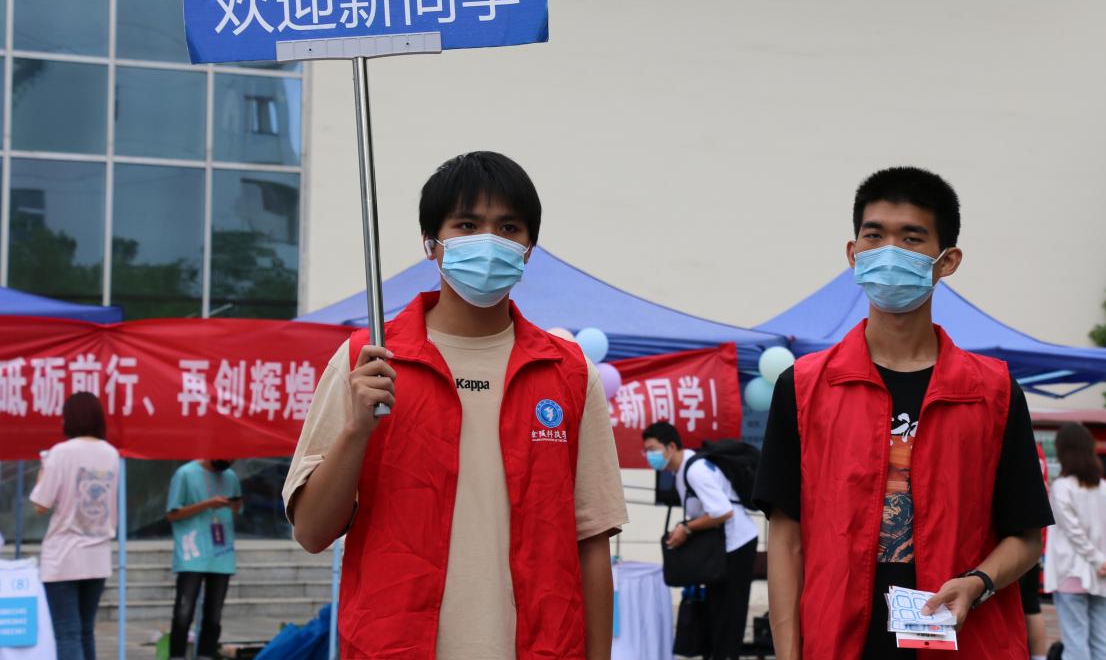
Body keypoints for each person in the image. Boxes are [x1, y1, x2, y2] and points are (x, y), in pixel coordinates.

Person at [283, 151, 628, 660]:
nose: (489, 242)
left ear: (528, 248)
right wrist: (355, 431)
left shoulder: (568, 371)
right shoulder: (367, 362)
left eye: (508, 227)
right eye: (467, 225)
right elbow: (312, 532)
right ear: (431, 243)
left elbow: (592, 539)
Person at [753, 166, 1055, 659]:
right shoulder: (805, 387)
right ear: (853, 253)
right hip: (839, 641)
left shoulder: (993, 392)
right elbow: (787, 538)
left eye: (911, 238)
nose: (890, 251)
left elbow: (1025, 537)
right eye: (874, 235)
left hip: (964, 640)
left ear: (947, 260)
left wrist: (977, 582)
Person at [643, 422, 758, 660]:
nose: (649, 456)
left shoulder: (695, 471)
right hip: (723, 547)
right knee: (715, 613)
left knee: (728, 617)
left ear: (671, 446)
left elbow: (722, 512)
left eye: (652, 449)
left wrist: (686, 528)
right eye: (646, 451)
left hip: (736, 545)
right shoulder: (682, 470)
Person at [30, 392, 120, 660]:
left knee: (67, 634)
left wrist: (43, 470)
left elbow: (40, 504)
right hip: (98, 556)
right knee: (85, 632)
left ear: (70, 418)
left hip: (63, 557)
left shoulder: (60, 453)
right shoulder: (111, 453)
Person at [1044, 424, 1106, 660]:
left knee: (1075, 642)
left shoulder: (1061, 487)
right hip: (1103, 576)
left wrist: (1098, 561)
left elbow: (1073, 532)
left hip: (1072, 572)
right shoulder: (1104, 489)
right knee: (1103, 640)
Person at [165, 459, 242, 660]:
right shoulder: (185, 473)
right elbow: (172, 514)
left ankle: (206, 655)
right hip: (192, 553)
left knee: (214, 615)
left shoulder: (231, 476)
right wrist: (207, 504)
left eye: (234, 457)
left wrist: (235, 504)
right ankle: (177, 656)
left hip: (222, 554)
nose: (231, 460)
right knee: (184, 612)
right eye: (228, 455)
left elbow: (237, 508)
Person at [1021, 442, 1052, 660]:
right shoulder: (1038, 451)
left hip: (1016, 536)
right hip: (1036, 535)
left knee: (1021, 604)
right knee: (1032, 605)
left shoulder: (1024, 447)